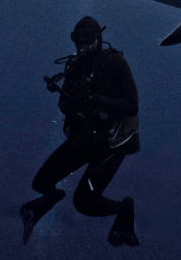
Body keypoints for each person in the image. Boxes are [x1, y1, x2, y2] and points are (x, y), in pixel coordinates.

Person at [21, 16, 141, 246]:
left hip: (111, 142)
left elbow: (132, 105)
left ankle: (124, 211)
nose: (82, 45)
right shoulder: (73, 65)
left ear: (98, 39)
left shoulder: (114, 62)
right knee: (40, 183)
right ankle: (48, 201)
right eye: (78, 39)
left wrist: (96, 100)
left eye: (87, 39)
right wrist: (72, 102)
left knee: (85, 203)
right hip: (83, 138)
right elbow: (65, 105)